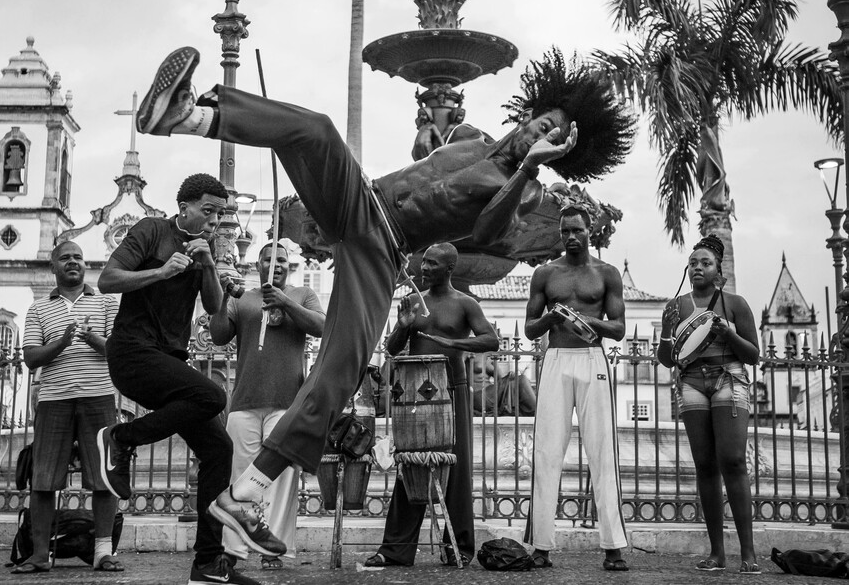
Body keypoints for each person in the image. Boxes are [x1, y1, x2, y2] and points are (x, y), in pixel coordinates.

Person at [133, 45, 635, 556]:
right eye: (542, 123)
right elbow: (430, 151)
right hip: (361, 202)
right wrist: (428, 135)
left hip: (383, 250)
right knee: (318, 130)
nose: (538, 135)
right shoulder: (470, 137)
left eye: (552, 138)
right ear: (529, 114)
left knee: (340, 369)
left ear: (558, 151)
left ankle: (246, 494)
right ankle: (187, 116)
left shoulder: (524, 196)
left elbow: (485, 231)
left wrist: (528, 168)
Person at [94, 173, 262, 585]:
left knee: (218, 449)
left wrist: (206, 265)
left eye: (219, 215)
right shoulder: (152, 230)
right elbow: (107, 279)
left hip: (168, 358)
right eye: (207, 211)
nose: (212, 221)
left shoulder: (202, 248)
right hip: (132, 352)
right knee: (213, 395)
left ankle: (207, 564)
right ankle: (119, 438)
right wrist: (163, 271)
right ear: (184, 206)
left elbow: (213, 307)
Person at [365, 243, 499, 568]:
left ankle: (458, 548)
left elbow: (490, 339)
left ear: (449, 268)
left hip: (453, 390)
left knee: (456, 467)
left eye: (432, 264)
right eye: (423, 262)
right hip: (414, 394)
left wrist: (454, 343)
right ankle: (395, 549)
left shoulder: (465, 304)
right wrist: (403, 325)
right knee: (410, 464)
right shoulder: (413, 301)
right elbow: (393, 349)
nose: (424, 268)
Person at [522, 206, 629, 571]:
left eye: (577, 230)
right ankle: (541, 546)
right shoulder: (546, 273)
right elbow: (529, 329)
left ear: (590, 231)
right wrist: (551, 317)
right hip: (555, 358)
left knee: (602, 452)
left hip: (591, 358)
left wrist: (589, 320)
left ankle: (614, 547)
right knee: (547, 452)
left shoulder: (607, 274)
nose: (571, 236)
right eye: (565, 230)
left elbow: (619, 329)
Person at [208, 241, 325, 570]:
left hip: (287, 403)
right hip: (244, 401)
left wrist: (285, 302)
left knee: (280, 480)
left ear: (290, 266)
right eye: (267, 258)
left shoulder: (302, 295)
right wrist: (221, 301)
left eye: (282, 259)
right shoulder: (242, 298)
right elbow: (218, 336)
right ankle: (234, 550)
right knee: (241, 479)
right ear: (256, 265)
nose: (275, 264)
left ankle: (275, 549)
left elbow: (320, 326)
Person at [14, 241, 123, 574]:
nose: (72, 262)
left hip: (99, 396)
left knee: (104, 478)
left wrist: (91, 339)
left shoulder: (106, 302)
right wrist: (61, 342)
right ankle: (38, 555)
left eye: (77, 257)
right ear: (53, 267)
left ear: (85, 265)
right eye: (65, 258)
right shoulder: (38, 309)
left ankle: (103, 553)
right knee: (44, 479)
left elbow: (118, 350)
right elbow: (31, 357)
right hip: (53, 400)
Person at [656, 234, 760, 575]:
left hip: (729, 378)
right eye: (693, 263)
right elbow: (667, 360)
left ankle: (748, 552)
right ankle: (717, 553)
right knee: (704, 464)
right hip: (692, 383)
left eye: (705, 263)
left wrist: (728, 333)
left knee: (732, 460)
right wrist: (668, 333)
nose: (697, 267)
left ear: (718, 270)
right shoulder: (676, 306)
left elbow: (753, 355)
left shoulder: (735, 303)